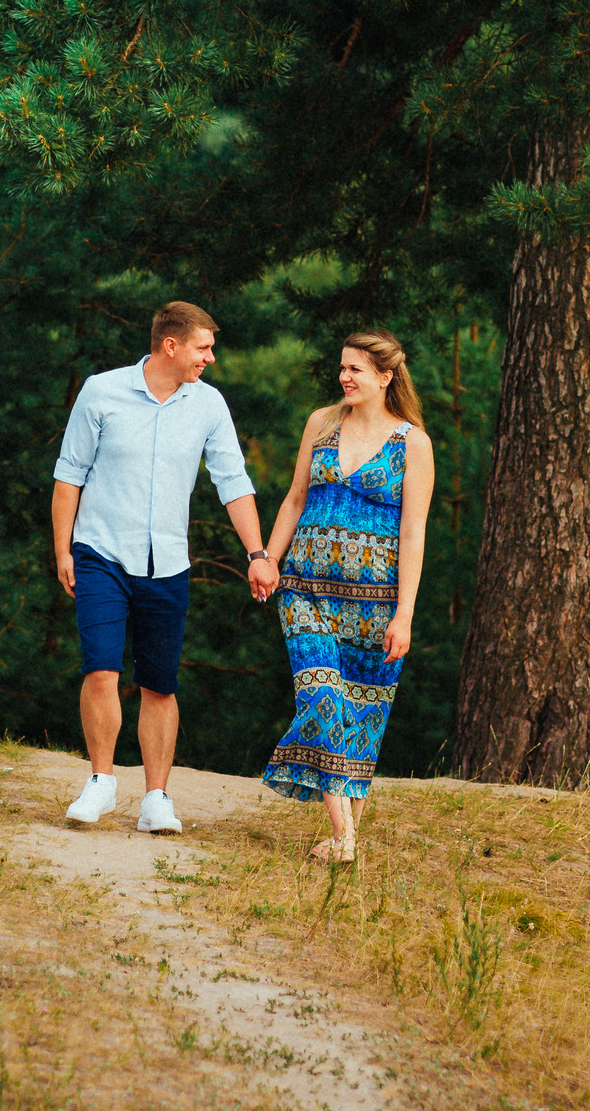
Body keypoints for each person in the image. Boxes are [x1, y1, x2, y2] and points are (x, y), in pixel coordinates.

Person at [50, 300, 272, 833]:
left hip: (167, 562)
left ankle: (156, 799)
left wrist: (258, 554)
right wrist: (63, 550)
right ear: (170, 346)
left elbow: (233, 482)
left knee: (160, 685)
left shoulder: (209, 406)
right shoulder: (101, 391)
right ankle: (102, 782)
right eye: (204, 347)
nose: (210, 358)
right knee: (101, 668)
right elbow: (69, 475)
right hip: (100, 552)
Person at [253, 331, 434, 861]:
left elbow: (413, 533)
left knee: (361, 713)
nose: (344, 377)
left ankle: (345, 832)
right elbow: (294, 499)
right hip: (305, 589)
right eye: (342, 368)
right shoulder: (321, 423)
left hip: (375, 606)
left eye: (356, 369)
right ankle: (343, 835)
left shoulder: (413, 443)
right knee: (321, 696)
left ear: (386, 376)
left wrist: (404, 614)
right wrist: (266, 557)